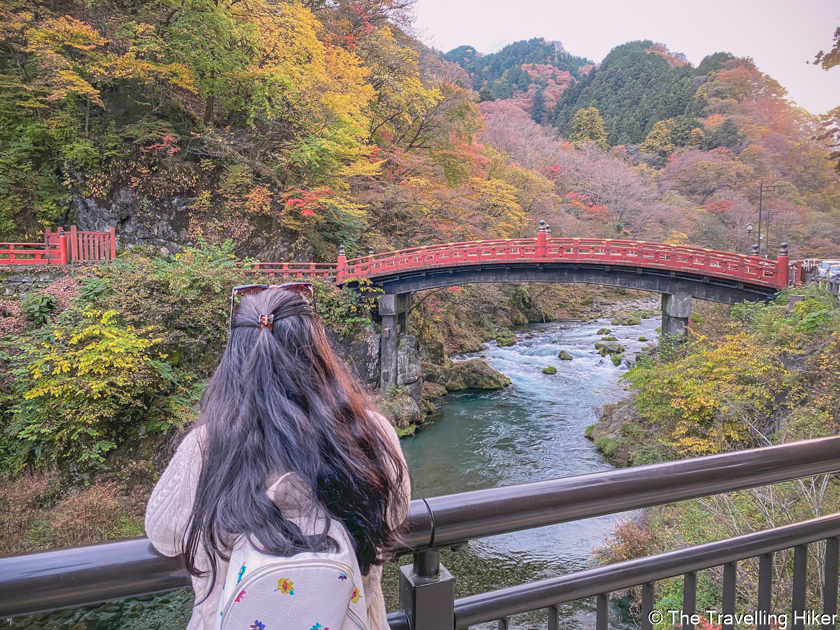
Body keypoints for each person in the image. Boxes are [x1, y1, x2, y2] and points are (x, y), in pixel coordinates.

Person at [145, 284, 411, 630]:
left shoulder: (206, 447)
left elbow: (163, 533)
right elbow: (396, 512)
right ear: (318, 351)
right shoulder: (369, 432)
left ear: (234, 356)